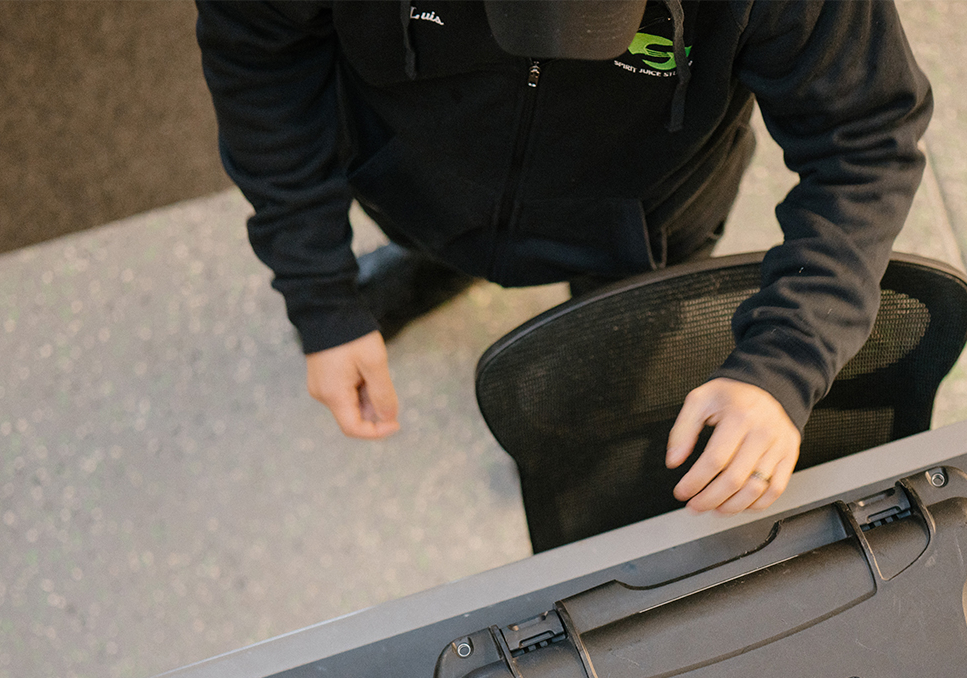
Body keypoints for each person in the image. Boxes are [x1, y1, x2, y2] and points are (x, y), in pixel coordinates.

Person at [196, 0, 930, 514]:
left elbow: (864, 140)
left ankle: (583, 431)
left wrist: (781, 366)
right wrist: (321, 295)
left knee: (615, 363)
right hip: (418, 186)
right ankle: (435, 267)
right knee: (435, 239)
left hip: (644, 225)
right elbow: (259, 61)